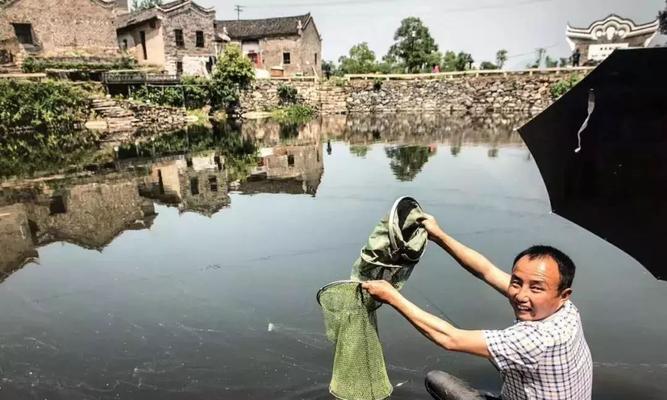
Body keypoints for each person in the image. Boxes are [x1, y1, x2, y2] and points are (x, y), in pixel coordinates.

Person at [362, 215, 592, 400]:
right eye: (516, 282)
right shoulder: (566, 310)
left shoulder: (533, 340)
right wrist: (439, 236)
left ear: (563, 295)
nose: (521, 295)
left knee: (436, 380)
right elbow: (487, 271)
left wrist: (391, 296)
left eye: (536, 288)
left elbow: (450, 339)